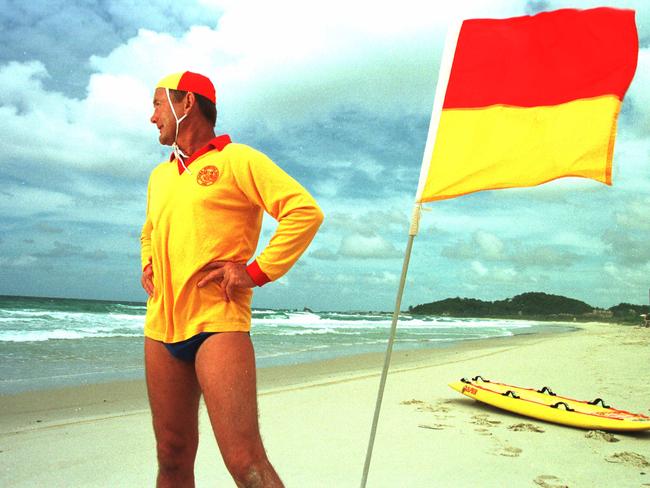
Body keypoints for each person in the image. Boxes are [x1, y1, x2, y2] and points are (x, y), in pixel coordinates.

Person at [140, 71, 323, 487]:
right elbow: (149, 229)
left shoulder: (237, 159)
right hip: (160, 328)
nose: (152, 118)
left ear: (186, 103)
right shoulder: (160, 176)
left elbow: (304, 212)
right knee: (171, 455)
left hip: (217, 324)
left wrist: (255, 272)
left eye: (156, 104)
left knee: (245, 461)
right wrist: (149, 262)